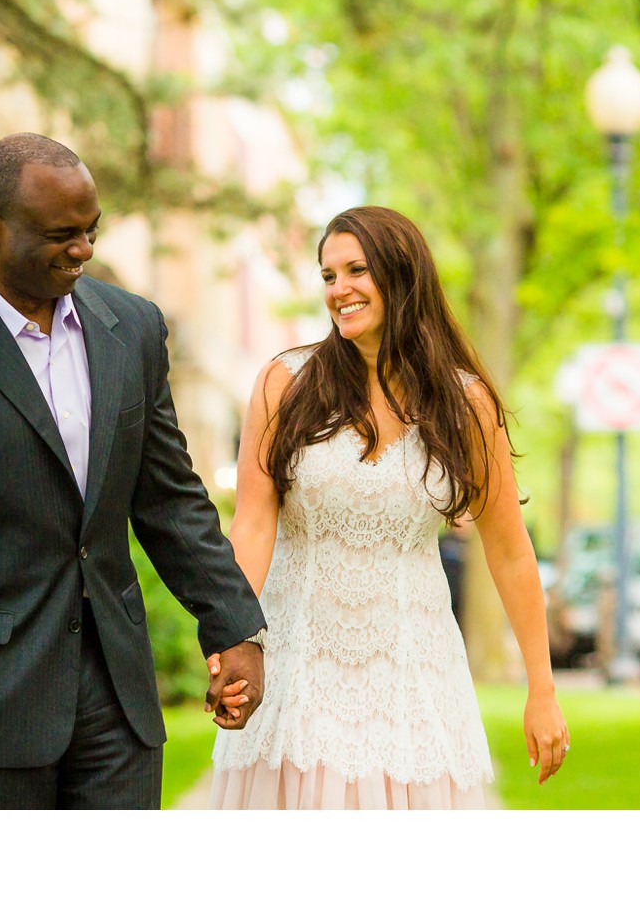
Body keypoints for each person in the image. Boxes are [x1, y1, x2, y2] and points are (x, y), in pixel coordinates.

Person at [0, 133, 267, 809]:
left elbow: (171, 500)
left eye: (91, 231)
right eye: (62, 234)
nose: (84, 250)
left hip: (118, 708)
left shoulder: (132, 329)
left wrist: (235, 626)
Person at [211, 205, 568, 809]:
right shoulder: (286, 382)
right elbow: (252, 522)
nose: (339, 290)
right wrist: (230, 639)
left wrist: (542, 688)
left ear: (402, 276)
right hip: (301, 667)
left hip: (415, 676)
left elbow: (508, 549)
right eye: (328, 276)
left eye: (356, 270)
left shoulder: (465, 403)